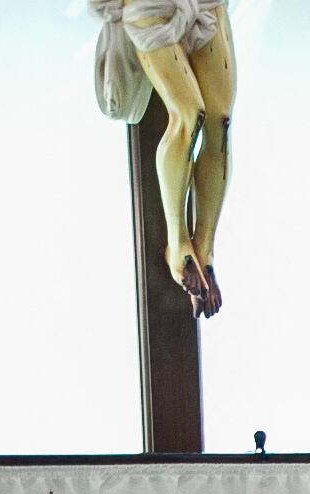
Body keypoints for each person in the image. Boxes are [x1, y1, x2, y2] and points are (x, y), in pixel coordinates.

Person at [90, 1, 238, 317]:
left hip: (205, 6)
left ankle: (205, 249)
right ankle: (178, 243)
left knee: (219, 121)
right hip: (152, 8)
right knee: (189, 116)